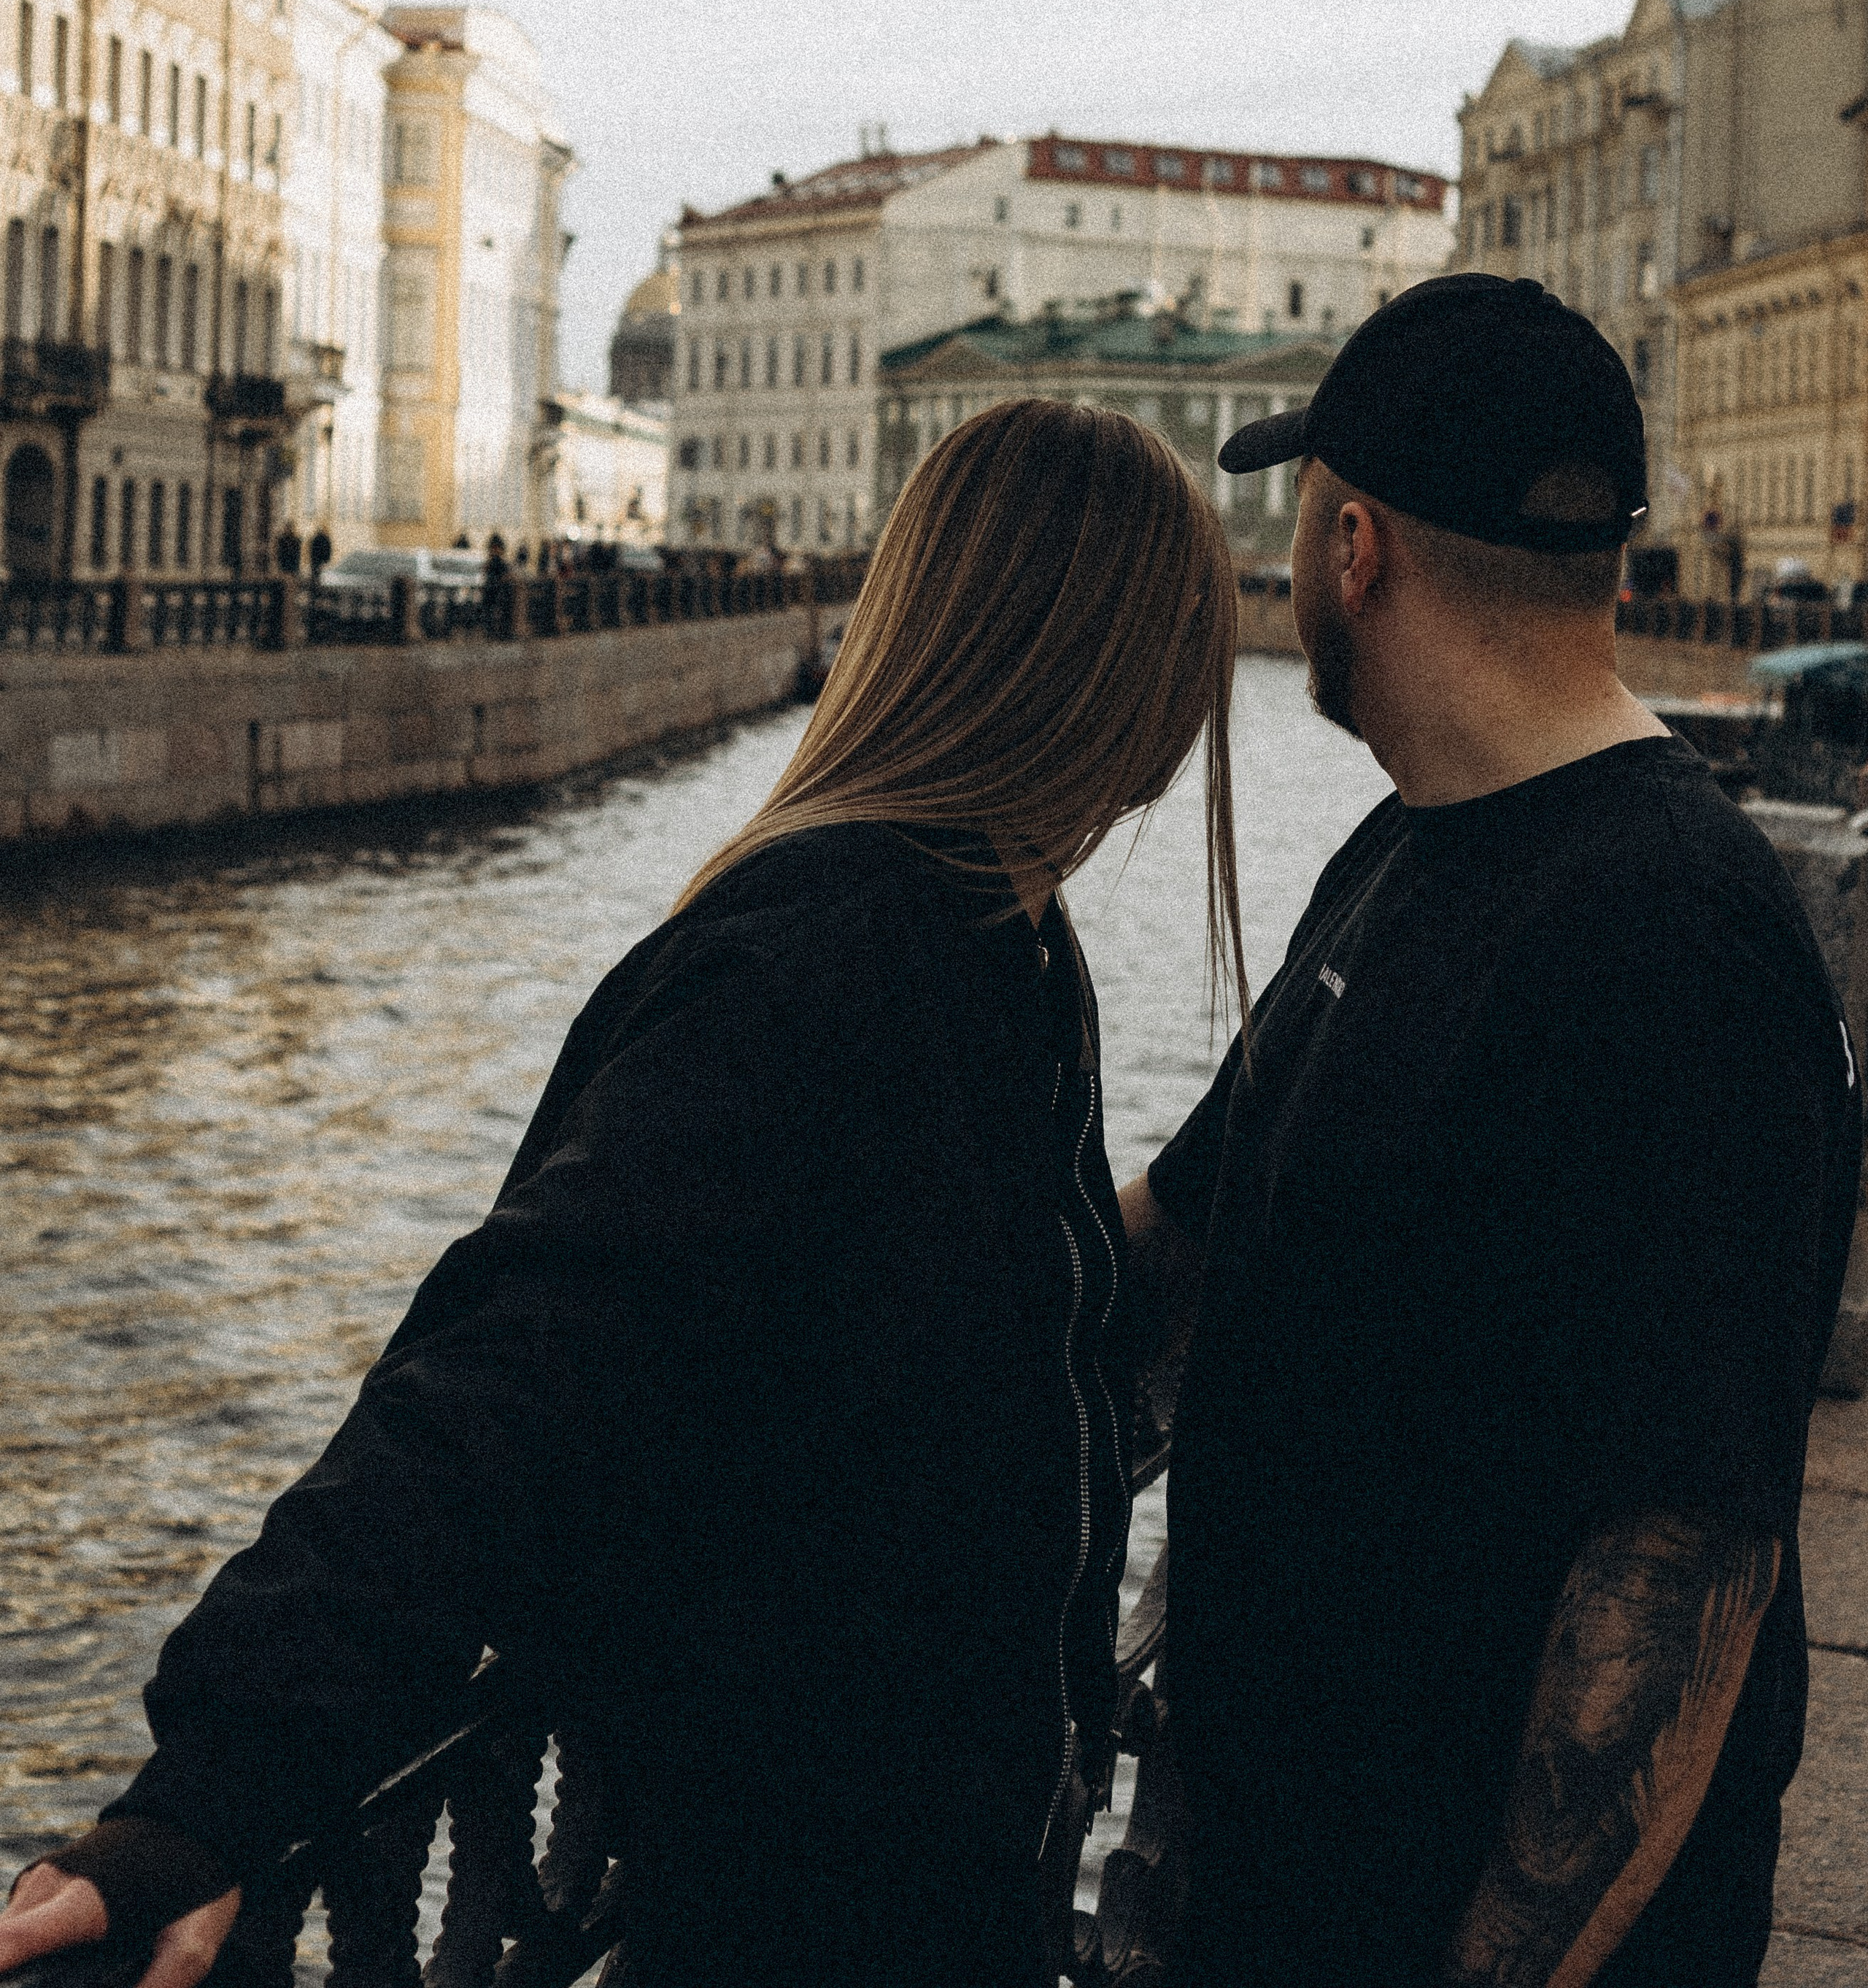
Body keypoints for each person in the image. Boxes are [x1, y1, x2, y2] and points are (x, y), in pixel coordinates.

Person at [0, 398, 1249, 1988]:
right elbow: (507, 1377)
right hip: (800, 1911)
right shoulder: (822, 962)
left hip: (930, 1885)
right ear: (1112, 675)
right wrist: (213, 1793)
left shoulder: (1000, 942)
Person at [1121, 274, 1863, 1987]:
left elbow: (1678, 1559)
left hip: (1429, 1927)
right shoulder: (1406, 851)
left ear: (1354, 550)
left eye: (1299, 519)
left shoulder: (1674, 938)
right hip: (1285, 1887)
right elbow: (1192, 1218)